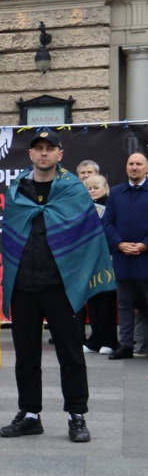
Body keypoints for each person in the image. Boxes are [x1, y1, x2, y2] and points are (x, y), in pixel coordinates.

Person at [0, 130, 113, 443]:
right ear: (30, 154)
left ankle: (77, 415)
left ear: (60, 154)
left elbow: (89, 237)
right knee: (26, 356)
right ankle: (29, 415)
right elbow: (11, 234)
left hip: (61, 287)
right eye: (38, 148)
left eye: (50, 148)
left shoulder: (73, 189)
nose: (44, 153)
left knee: (71, 353)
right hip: (24, 286)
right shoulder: (17, 190)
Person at [102, 152, 148, 361]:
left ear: (146, 168)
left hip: (146, 258)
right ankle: (126, 345)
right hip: (123, 258)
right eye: (131, 163)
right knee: (125, 305)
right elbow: (107, 222)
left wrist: (144, 245)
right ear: (126, 167)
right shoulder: (116, 192)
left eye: (139, 164)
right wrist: (119, 243)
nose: (134, 167)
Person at [80, 174, 118, 356]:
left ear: (105, 188)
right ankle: (95, 339)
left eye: (96, 187)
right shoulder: (82, 207)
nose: (92, 191)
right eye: (88, 188)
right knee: (93, 300)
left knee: (107, 301)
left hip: (108, 259)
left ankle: (109, 340)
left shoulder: (112, 205)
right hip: (89, 260)